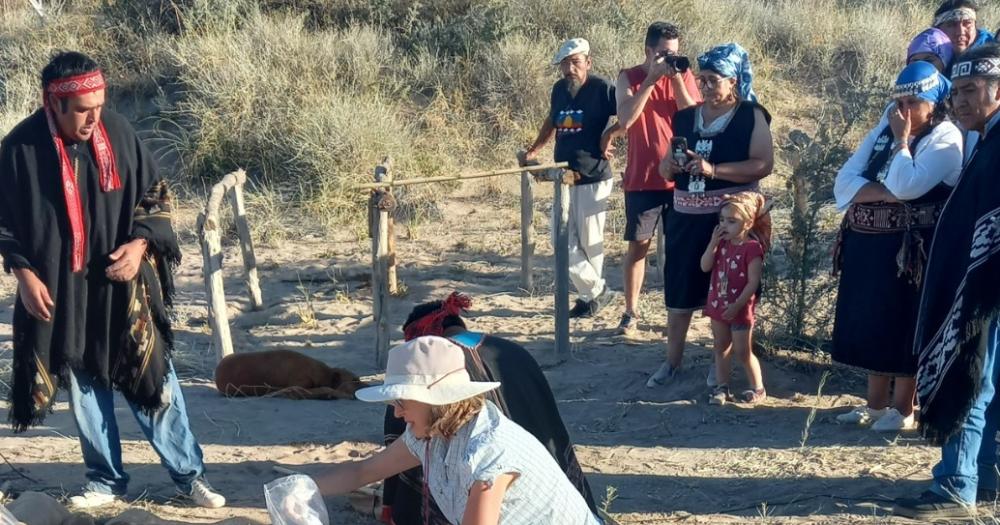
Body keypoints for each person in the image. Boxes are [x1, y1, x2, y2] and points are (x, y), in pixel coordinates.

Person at [0, 51, 224, 508]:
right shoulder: (20, 148)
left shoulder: (117, 132)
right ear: (54, 104)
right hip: (63, 290)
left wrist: (140, 245)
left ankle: (189, 475)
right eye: (83, 110)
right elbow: (4, 222)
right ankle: (105, 482)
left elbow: (154, 194)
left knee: (156, 380)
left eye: (99, 106)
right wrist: (24, 274)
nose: (93, 118)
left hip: (124, 285)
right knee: (85, 386)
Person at [317, 336, 602, 525]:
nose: (397, 412)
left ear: (438, 400)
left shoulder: (488, 455)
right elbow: (362, 472)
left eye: (402, 401)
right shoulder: (434, 434)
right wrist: (301, 488)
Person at [893, 43, 1000, 520]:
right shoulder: (987, 142)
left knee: (971, 381)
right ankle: (983, 479)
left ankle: (957, 486)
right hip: (985, 293)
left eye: (972, 89)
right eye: (955, 91)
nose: (960, 100)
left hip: (984, 295)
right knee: (988, 385)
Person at [380, 293, 597, 524]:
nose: (397, 412)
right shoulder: (511, 351)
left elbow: (401, 483)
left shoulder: (486, 450)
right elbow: (364, 470)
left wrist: (392, 510)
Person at [830, 61, 963, 433]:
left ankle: (903, 409)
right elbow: (845, 183)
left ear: (933, 103)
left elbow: (908, 187)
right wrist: (885, 191)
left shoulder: (945, 137)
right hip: (870, 245)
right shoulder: (882, 130)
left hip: (912, 252)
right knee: (874, 320)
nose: (902, 109)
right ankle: (875, 406)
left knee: (903, 322)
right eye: (898, 100)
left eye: (913, 101)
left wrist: (902, 143)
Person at [646, 43, 773, 388]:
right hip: (685, 216)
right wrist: (670, 166)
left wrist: (713, 169)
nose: (704, 87)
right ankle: (672, 361)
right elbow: (665, 167)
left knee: (728, 291)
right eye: (701, 80)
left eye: (712, 80)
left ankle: (721, 365)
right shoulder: (686, 116)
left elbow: (763, 163)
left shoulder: (751, 115)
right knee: (680, 288)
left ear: (733, 80)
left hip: (731, 220)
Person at [523, 38, 620, 318]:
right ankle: (596, 292)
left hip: (593, 174)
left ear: (588, 62)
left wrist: (611, 134)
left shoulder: (602, 88)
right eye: (565, 64)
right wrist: (534, 149)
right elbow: (552, 120)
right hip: (564, 175)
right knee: (561, 238)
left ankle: (589, 298)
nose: (569, 69)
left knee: (591, 244)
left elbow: (629, 112)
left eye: (575, 62)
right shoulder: (560, 89)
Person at [614, 21, 699, 335]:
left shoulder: (683, 75)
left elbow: (692, 116)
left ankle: (676, 310)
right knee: (638, 246)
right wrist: (650, 80)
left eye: (674, 52)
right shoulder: (629, 76)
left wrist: (675, 80)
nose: (669, 58)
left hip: (679, 177)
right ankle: (631, 311)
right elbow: (625, 120)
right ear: (648, 51)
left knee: (678, 248)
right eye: (663, 52)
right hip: (643, 177)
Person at [699, 192, 770, 405]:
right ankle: (722, 387)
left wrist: (738, 305)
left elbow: (753, 282)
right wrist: (712, 243)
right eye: (722, 220)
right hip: (718, 303)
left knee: (742, 351)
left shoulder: (752, 248)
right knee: (720, 347)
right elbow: (704, 266)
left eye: (732, 221)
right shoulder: (721, 244)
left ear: (748, 223)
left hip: (739, 308)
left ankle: (758, 388)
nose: (724, 225)